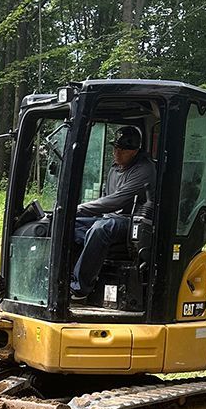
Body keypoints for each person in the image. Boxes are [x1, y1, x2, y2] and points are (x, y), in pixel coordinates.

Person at [71, 125, 155, 302]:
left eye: (122, 149)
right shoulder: (115, 169)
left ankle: (80, 288)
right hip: (109, 218)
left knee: (101, 229)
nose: (117, 152)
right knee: (70, 224)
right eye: (115, 147)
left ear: (135, 151)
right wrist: (75, 214)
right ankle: (65, 276)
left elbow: (116, 201)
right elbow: (105, 198)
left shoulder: (144, 170)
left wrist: (78, 208)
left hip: (131, 222)